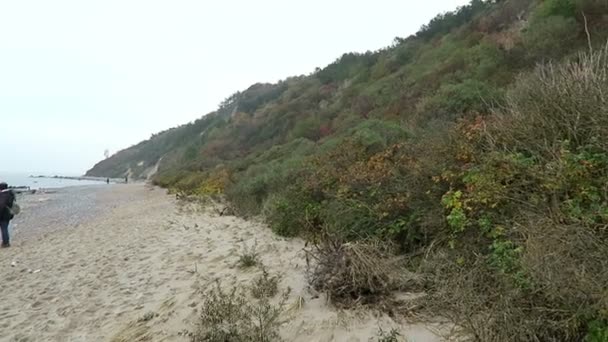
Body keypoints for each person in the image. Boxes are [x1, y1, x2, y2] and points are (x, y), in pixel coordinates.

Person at [0, 182, 16, 248]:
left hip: (2, 215)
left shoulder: (3, 195)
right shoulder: (10, 193)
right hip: (8, 214)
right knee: (5, 228)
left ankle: (5, 243)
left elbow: (1, 205)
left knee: (4, 229)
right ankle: (6, 242)